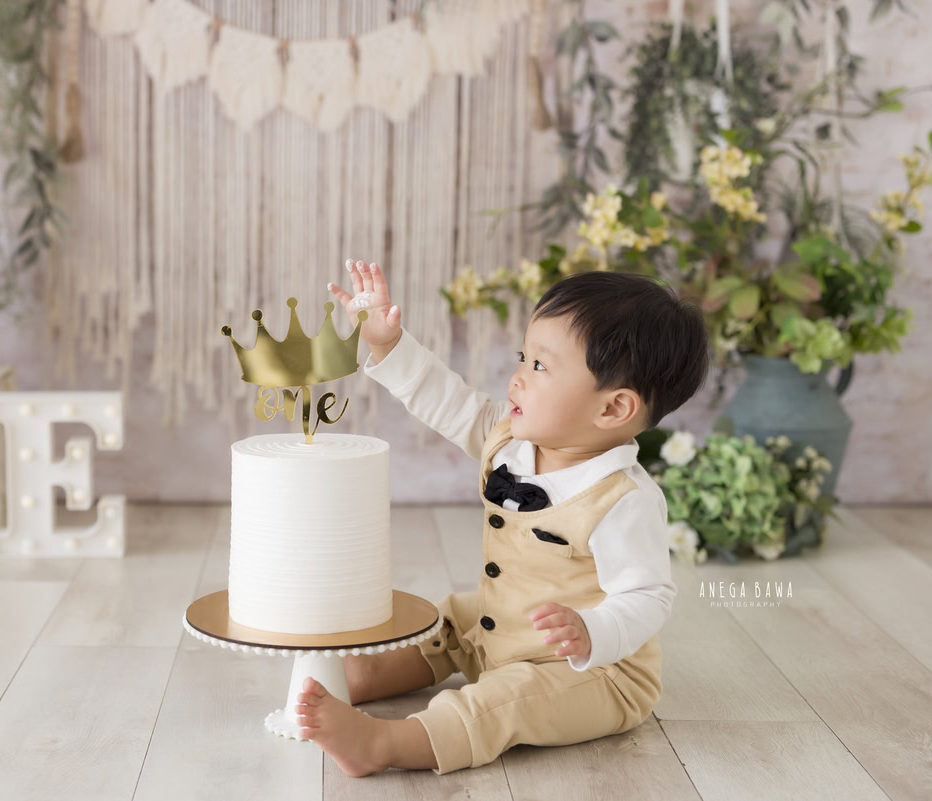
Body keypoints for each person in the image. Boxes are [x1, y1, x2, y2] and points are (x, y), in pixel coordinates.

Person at [295, 259, 709, 777]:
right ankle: (364, 673)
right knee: (445, 618)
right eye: (522, 356)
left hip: (587, 670)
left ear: (612, 409)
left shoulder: (621, 500)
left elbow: (648, 595)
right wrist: (387, 343)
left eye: (539, 366)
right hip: (501, 626)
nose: (516, 377)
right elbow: (447, 401)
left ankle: (386, 743)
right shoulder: (511, 441)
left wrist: (593, 630)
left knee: (503, 703)